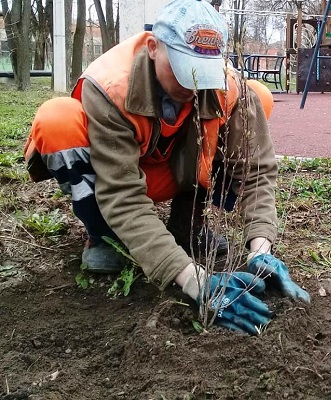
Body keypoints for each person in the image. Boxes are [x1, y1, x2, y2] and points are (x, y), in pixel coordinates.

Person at [24, 0, 310, 335]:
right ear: (153, 47)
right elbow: (123, 194)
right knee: (57, 120)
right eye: (182, 69)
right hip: (123, 173)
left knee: (256, 97)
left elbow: (256, 172)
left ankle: (188, 227)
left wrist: (261, 247)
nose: (193, 86)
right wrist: (193, 280)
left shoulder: (225, 85)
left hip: (180, 172)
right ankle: (106, 238)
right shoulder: (108, 86)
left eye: (202, 73)